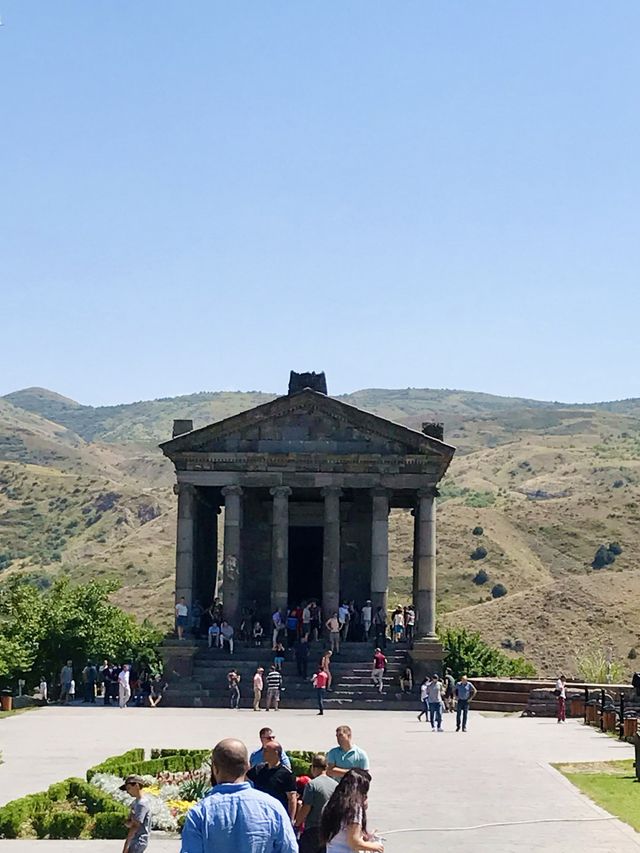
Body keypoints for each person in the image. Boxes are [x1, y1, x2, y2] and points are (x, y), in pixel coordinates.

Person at [181, 738, 298, 853]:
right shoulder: (273, 808)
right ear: (247, 766)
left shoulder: (200, 813)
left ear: (215, 769)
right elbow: (290, 849)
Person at [320, 769, 383, 853]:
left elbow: (343, 833)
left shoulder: (330, 804)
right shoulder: (354, 808)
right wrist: (375, 846)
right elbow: (353, 841)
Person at [296, 753, 338, 853]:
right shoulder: (335, 785)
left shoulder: (312, 785)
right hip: (329, 830)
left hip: (313, 830)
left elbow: (306, 808)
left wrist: (297, 823)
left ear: (313, 767)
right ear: (326, 767)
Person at [247, 741, 297, 821]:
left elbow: (292, 798)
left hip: (276, 816)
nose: (263, 753)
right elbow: (243, 778)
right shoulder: (258, 769)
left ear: (275, 753)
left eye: (266, 750)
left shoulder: (286, 773)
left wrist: (290, 819)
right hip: (258, 814)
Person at [120, 774, 151, 853]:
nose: (127, 792)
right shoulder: (135, 803)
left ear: (137, 786)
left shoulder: (142, 804)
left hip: (138, 841)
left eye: (129, 788)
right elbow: (129, 822)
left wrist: (126, 846)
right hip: (136, 840)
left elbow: (135, 826)